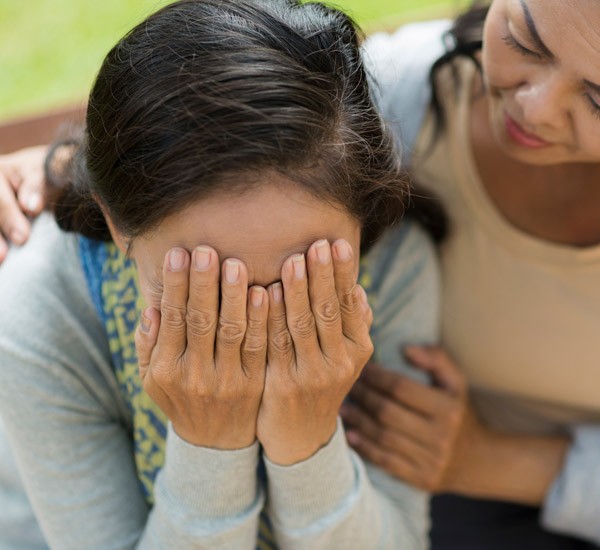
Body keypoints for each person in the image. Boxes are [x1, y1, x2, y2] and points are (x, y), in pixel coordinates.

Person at [2, 0, 600, 549]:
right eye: (525, 40)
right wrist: (66, 171)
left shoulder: (388, 251)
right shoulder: (391, 98)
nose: (534, 107)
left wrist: (316, 442)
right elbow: (221, 109)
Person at [0, 0, 439, 548]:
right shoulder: (39, 311)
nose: (246, 328)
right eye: (203, 288)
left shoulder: (397, 266)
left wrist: (307, 440)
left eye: (300, 281)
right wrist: (211, 444)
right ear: (118, 226)